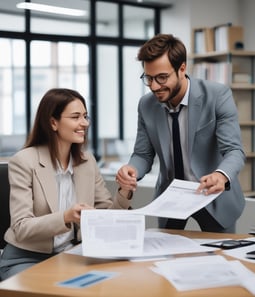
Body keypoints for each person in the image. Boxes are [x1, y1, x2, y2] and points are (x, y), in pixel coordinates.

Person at [116, 33, 246, 233]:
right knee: (165, 259)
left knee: (218, 260)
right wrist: (131, 170)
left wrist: (221, 175)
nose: (154, 86)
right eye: (148, 78)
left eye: (162, 77)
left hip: (212, 196)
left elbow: (234, 150)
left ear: (182, 69)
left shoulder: (217, 95)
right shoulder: (146, 105)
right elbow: (142, 154)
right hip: (170, 199)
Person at [0, 88, 132, 280]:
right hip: (26, 258)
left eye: (85, 116)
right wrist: (65, 217)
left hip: (71, 256)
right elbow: (21, 228)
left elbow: (106, 217)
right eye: (76, 117)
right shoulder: (24, 161)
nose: (84, 123)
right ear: (53, 122)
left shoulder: (87, 161)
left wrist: (124, 192)